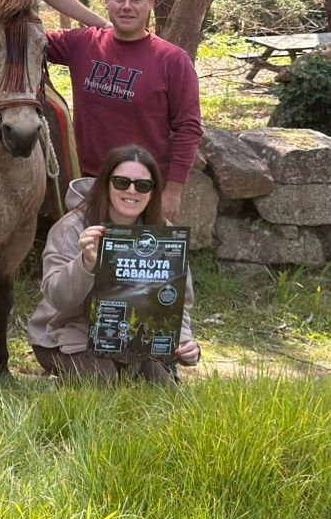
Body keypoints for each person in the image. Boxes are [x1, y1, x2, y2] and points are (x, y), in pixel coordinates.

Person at [28, 145, 201, 383]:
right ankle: (62, 381)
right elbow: (58, 298)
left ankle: (126, 369)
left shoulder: (163, 236)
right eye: (121, 182)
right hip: (66, 335)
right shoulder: (72, 228)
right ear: (106, 184)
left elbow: (178, 300)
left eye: (142, 185)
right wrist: (86, 264)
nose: (132, 190)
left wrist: (184, 341)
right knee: (103, 379)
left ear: (152, 192)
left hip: (133, 343)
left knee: (163, 394)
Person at [44, 0, 204, 220]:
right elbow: (25, 37)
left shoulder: (173, 61)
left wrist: (173, 191)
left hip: (141, 187)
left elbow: (189, 128)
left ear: (150, 4)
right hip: (89, 182)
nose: (127, 6)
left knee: (136, 257)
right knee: (89, 255)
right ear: (107, 2)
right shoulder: (82, 44)